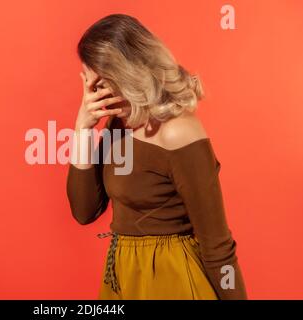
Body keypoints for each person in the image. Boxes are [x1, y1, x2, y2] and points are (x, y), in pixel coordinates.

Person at [66, 13, 247, 300]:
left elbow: (218, 246)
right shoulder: (118, 125)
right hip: (123, 277)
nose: (93, 94)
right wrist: (82, 128)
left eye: (99, 83)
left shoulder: (179, 133)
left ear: (126, 74)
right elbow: (84, 211)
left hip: (171, 278)